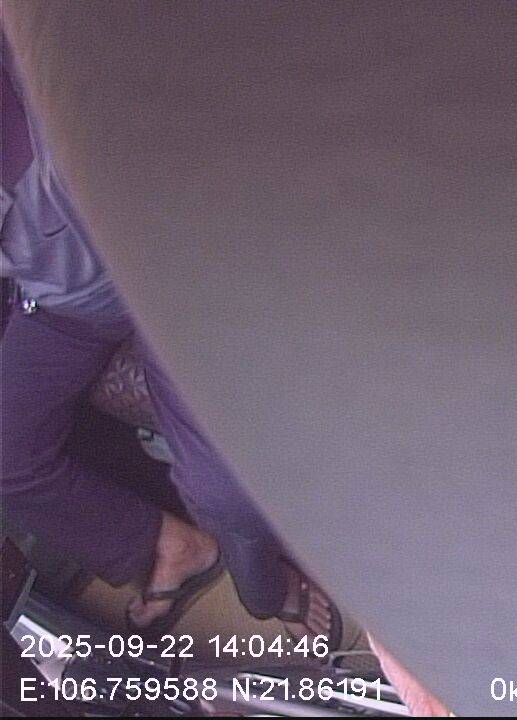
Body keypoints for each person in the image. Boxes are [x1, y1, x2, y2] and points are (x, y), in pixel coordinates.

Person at [1, 41, 336, 642]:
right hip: (65, 300)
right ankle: (171, 548)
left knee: (225, 492)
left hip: (161, 257)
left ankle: (267, 592)